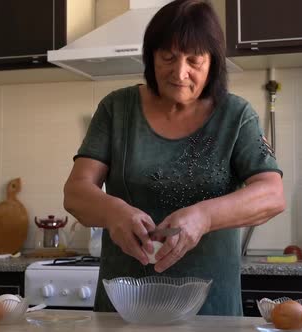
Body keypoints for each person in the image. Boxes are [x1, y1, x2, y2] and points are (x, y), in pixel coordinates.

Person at [63, 0, 285, 316]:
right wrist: (114, 211)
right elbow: (75, 192)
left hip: (211, 312)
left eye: (194, 60)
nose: (180, 73)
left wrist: (204, 217)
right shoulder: (117, 109)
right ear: (151, 56)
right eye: (168, 58)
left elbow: (272, 195)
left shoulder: (236, 116)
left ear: (213, 63)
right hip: (124, 312)